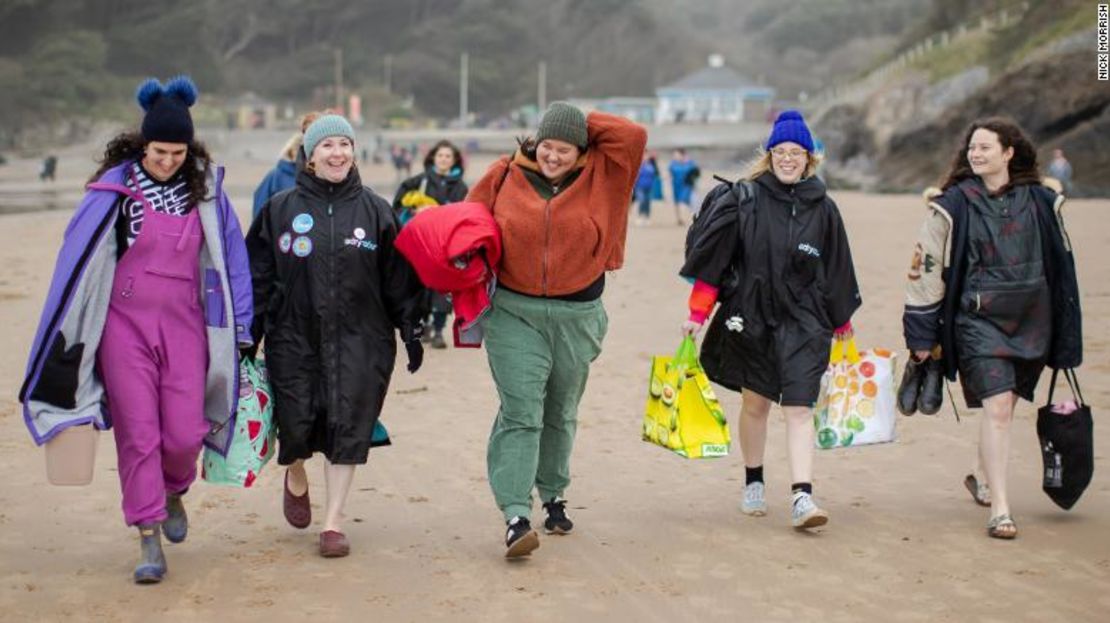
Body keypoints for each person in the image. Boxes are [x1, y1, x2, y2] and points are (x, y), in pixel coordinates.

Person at [19, 76, 252, 584]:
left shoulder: (208, 194)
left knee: (185, 431)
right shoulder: (113, 193)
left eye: (178, 152)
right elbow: (75, 261)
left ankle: (173, 491)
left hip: (187, 326)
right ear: (142, 144)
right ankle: (147, 534)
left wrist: (243, 328)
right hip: (123, 330)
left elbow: (234, 261)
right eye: (160, 151)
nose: (169, 161)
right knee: (139, 434)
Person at [467, 101, 646, 557]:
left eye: (565, 148)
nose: (553, 156)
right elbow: (466, 224)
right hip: (513, 312)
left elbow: (632, 135)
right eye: (547, 144)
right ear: (534, 142)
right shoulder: (504, 174)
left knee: (560, 409)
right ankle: (515, 514)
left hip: (578, 316)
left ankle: (553, 494)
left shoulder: (607, 175)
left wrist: (575, 117)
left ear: (582, 148)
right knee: (522, 410)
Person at [246, 113, 424, 558]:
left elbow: (398, 278)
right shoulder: (280, 209)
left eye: (344, 144)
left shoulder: (376, 211)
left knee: (348, 425)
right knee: (297, 424)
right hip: (293, 336)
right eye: (327, 146)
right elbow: (258, 275)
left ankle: (333, 523)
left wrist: (412, 327)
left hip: (361, 339)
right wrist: (249, 332)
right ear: (310, 154)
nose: (337, 153)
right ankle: (296, 471)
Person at [680, 109, 860, 531]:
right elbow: (715, 264)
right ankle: (754, 481)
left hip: (805, 320)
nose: (787, 159)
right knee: (756, 403)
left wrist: (841, 320)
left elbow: (837, 268)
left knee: (799, 406)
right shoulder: (746, 199)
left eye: (796, 152)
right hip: (752, 315)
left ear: (810, 157)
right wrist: (696, 314)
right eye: (780, 151)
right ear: (769, 154)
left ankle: (802, 495)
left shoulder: (824, 208)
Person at [902, 117, 1081, 539]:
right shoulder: (952, 205)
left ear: (1009, 152)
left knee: (1008, 406)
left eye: (985, 147)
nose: (976, 154)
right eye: (972, 148)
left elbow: (1064, 268)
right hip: (977, 322)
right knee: (998, 407)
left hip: (1033, 319)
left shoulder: (1041, 201)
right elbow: (925, 271)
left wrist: (1067, 328)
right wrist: (920, 336)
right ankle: (1000, 508)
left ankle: (983, 475)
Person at [392, 140, 469, 349]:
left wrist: (440, 212)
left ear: (454, 161)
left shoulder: (461, 187)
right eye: (440, 156)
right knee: (420, 286)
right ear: (433, 158)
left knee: (442, 289)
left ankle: (438, 331)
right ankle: (423, 324)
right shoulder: (419, 181)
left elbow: (465, 215)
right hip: (422, 244)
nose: (443, 159)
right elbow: (397, 206)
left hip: (446, 246)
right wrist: (415, 211)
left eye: (448, 156)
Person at [668, 148, 699, 225]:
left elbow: (696, 173)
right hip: (676, 186)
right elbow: (670, 174)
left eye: (677, 155)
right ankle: (679, 219)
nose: (675, 157)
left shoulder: (690, 163)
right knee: (677, 203)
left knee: (683, 202)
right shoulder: (673, 164)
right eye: (674, 155)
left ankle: (685, 219)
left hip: (686, 186)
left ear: (682, 155)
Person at [632, 152, 660, 226]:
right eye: (644, 155)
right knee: (642, 200)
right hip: (639, 187)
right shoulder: (639, 164)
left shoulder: (652, 165)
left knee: (647, 202)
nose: (645, 157)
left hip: (649, 187)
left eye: (646, 155)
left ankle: (647, 217)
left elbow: (656, 174)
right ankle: (640, 217)